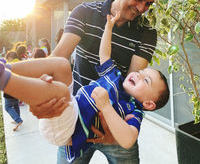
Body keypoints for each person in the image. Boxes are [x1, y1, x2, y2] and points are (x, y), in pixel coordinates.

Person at [30, 0, 160, 164]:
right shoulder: (85, 12)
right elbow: (58, 59)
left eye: (148, 3)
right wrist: (41, 98)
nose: (142, 8)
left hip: (117, 124)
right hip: (77, 120)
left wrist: (118, 131)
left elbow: (133, 85)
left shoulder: (147, 33)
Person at [0, 13, 169, 163]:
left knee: (59, 91)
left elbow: (128, 140)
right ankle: (7, 68)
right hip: (70, 109)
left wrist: (105, 106)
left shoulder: (134, 111)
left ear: (148, 104)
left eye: (146, 80)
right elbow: (104, 55)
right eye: (141, 72)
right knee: (61, 65)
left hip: (68, 129)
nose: (138, 74)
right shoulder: (115, 77)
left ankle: (4, 79)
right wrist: (108, 28)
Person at [3, 51, 23, 131]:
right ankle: (17, 118)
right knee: (16, 105)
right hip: (17, 90)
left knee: (7, 107)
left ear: (10, 58)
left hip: (9, 91)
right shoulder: (19, 65)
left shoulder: (9, 67)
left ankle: (18, 120)